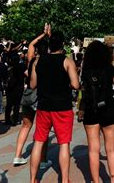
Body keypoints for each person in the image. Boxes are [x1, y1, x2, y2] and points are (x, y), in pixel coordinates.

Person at [29, 29, 80, 183]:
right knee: (64, 144)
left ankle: (33, 179)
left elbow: (32, 85)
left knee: (38, 142)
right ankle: (64, 180)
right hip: (62, 107)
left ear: (50, 45)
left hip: (44, 106)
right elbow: (76, 85)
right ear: (62, 45)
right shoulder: (67, 61)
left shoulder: (38, 61)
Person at [80, 41, 114, 183]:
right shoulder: (111, 69)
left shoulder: (85, 71)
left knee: (93, 149)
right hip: (108, 109)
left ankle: (95, 181)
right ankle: (113, 180)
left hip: (91, 109)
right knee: (111, 149)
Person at [13, 25, 50, 167]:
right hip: (41, 96)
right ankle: (42, 159)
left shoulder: (31, 60)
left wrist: (43, 34)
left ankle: (17, 155)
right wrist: (48, 35)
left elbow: (30, 44)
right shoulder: (47, 60)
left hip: (28, 94)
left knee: (25, 125)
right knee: (43, 129)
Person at [5, 53, 26, 126]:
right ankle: (15, 120)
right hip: (19, 87)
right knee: (17, 105)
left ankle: (7, 119)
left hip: (10, 88)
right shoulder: (22, 66)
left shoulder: (9, 67)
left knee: (9, 105)